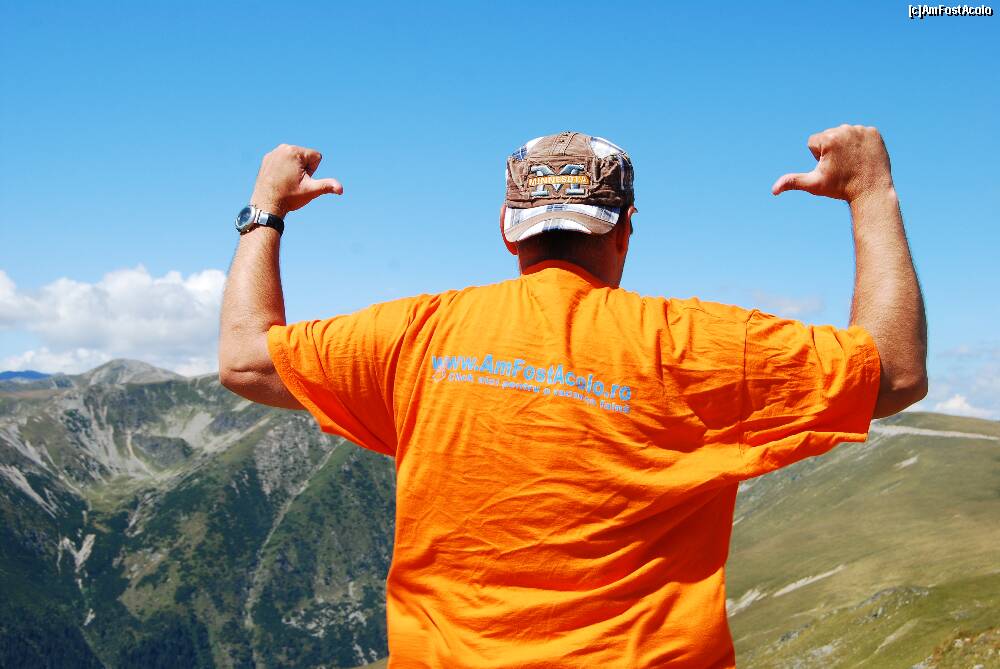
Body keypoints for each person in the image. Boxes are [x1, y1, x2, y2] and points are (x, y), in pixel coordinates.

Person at [219, 127, 927, 668]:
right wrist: (871, 192)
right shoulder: (697, 346)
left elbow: (246, 361)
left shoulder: (414, 335)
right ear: (625, 228)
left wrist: (267, 209)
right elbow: (894, 373)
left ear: (508, 228)